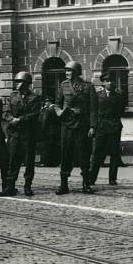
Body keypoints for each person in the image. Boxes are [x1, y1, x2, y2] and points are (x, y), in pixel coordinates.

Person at [52, 61, 97, 194]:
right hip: (67, 125)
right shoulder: (63, 85)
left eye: (69, 71)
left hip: (82, 125)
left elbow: (93, 109)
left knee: (84, 154)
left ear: (76, 72)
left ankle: (86, 184)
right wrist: (59, 112)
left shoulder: (88, 87)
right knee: (65, 154)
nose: (67, 73)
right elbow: (57, 104)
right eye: (66, 71)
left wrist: (93, 126)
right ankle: (63, 184)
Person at [2, 71, 43, 196]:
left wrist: (19, 120)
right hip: (14, 134)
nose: (17, 84)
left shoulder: (34, 98)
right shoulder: (13, 96)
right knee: (13, 160)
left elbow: (34, 115)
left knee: (29, 161)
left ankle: (27, 186)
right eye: (17, 82)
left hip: (28, 134)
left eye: (20, 82)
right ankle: (10, 186)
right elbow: (6, 111)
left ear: (26, 84)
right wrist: (10, 119)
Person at [89, 71, 127, 187]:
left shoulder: (119, 94)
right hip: (101, 127)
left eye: (111, 81)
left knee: (114, 154)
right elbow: (93, 111)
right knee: (97, 154)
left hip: (114, 126)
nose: (110, 83)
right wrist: (93, 126)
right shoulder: (97, 95)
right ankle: (92, 178)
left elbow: (121, 109)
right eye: (107, 81)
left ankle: (112, 179)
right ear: (103, 83)